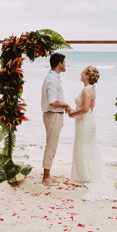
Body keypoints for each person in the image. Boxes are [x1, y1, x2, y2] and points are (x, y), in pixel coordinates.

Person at [67, 66, 117, 201]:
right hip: (87, 120)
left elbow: (84, 109)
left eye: (83, 73)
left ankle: (85, 176)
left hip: (84, 121)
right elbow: (89, 108)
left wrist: (72, 114)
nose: (81, 74)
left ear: (88, 76)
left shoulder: (86, 90)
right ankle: (85, 174)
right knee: (86, 147)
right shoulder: (92, 89)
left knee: (84, 147)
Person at [41, 52, 70, 185]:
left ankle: (47, 175)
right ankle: (46, 177)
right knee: (51, 146)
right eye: (64, 62)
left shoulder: (53, 77)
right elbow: (52, 101)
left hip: (53, 115)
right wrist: (66, 105)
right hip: (53, 115)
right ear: (59, 64)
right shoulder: (52, 80)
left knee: (51, 145)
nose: (65, 65)